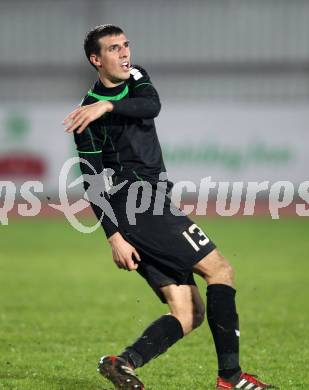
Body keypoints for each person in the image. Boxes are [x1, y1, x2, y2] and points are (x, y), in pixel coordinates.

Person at [63, 24, 275, 390]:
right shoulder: (86, 118)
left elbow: (152, 105)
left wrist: (108, 106)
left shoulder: (136, 78)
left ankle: (122, 363)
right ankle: (231, 379)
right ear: (96, 60)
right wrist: (113, 236)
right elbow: (92, 181)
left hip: (152, 203)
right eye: (114, 49)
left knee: (188, 312)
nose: (125, 53)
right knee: (220, 270)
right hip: (137, 206)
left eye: (126, 45)